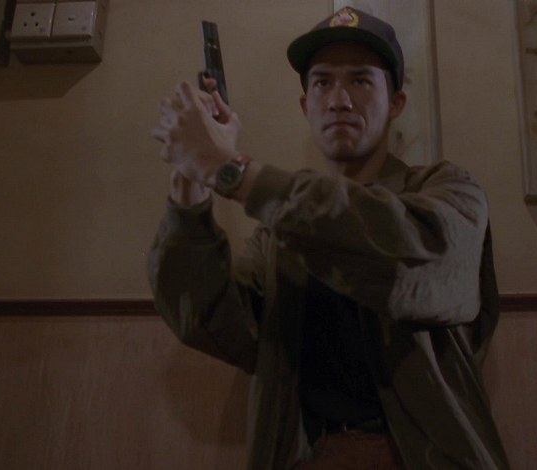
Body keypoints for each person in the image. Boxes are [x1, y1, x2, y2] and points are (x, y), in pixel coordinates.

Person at [149, 7, 509, 469]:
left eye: (360, 81)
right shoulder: (279, 230)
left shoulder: (449, 191)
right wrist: (191, 175)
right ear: (306, 106)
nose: (339, 100)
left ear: (396, 103)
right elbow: (214, 321)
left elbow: (407, 256)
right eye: (322, 83)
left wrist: (232, 170)